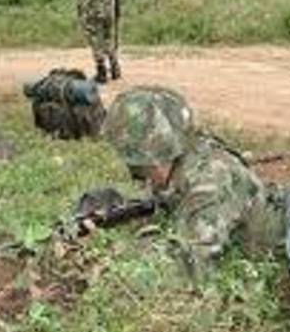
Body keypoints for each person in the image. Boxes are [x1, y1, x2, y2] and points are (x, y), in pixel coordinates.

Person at [101, 86, 271, 275]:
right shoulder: (184, 156)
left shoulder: (211, 181)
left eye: (140, 168)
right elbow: (163, 204)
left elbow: (193, 264)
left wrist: (121, 254)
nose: (141, 177)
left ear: (157, 157)